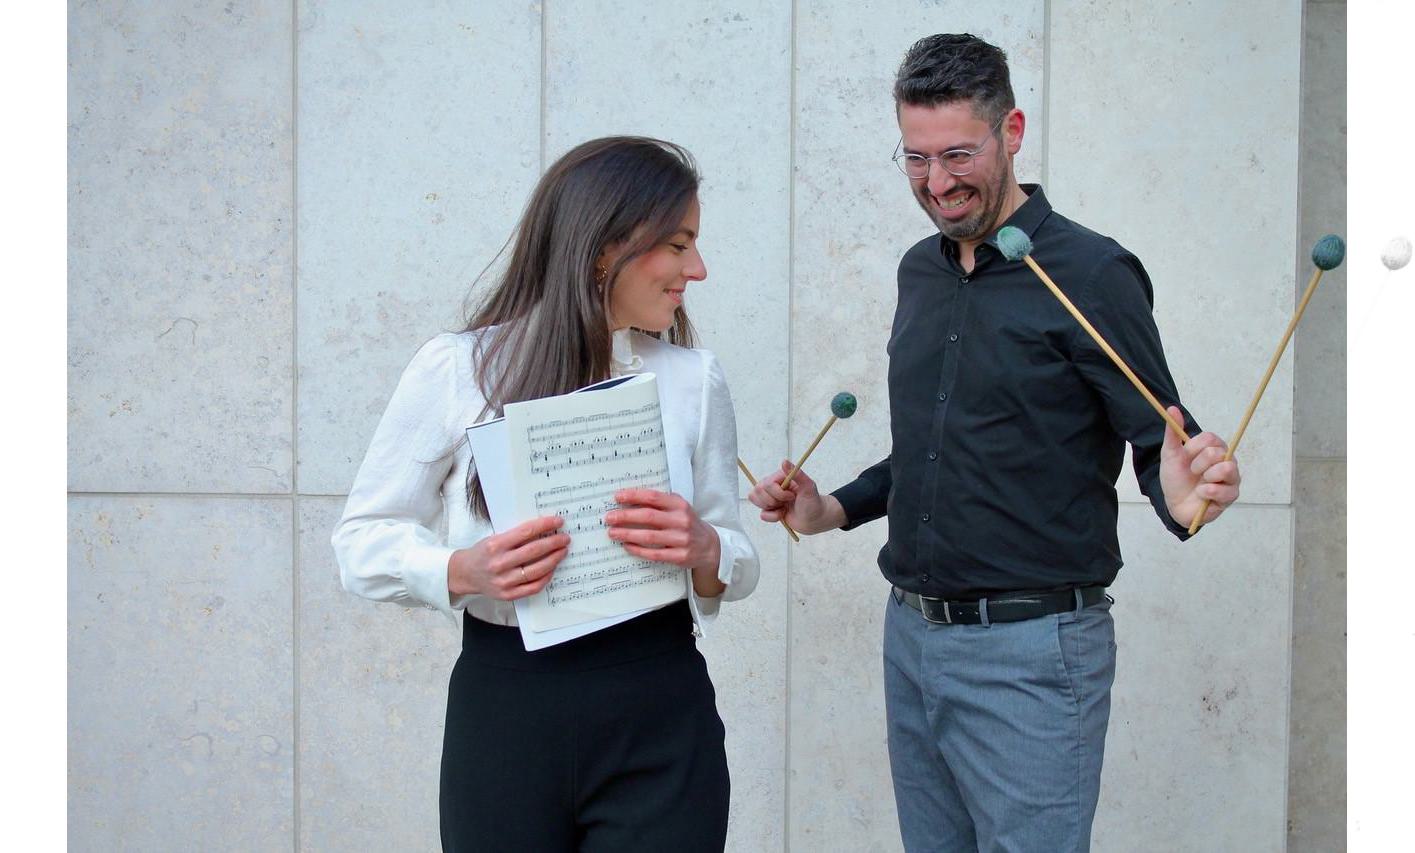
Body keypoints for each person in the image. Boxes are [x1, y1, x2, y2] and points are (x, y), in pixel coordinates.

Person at [748, 34, 1241, 852]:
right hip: (910, 640)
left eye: (957, 155)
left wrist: (1182, 494)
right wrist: (828, 507)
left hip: (1032, 656)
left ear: (1010, 131)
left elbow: (1160, 440)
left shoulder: (1091, 273)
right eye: (915, 158)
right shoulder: (919, 271)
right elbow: (932, 450)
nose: (936, 183)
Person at [332, 136, 759, 852]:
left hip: (660, 704)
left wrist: (706, 547)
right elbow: (360, 540)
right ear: (603, 247)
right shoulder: (458, 369)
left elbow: (735, 556)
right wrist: (461, 570)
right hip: (506, 708)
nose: (698, 269)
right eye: (678, 245)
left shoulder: (693, 379)